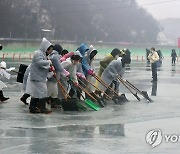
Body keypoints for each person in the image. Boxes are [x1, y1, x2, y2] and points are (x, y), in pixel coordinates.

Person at [29, 38, 53, 114]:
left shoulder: (43, 54)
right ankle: (42, 108)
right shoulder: (38, 53)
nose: (50, 52)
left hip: (39, 77)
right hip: (37, 77)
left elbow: (43, 65)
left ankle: (33, 108)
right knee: (43, 91)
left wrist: (49, 68)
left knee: (36, 93)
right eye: (50, 50)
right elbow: (40, 62)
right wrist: (48, 62)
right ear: (46, 48)